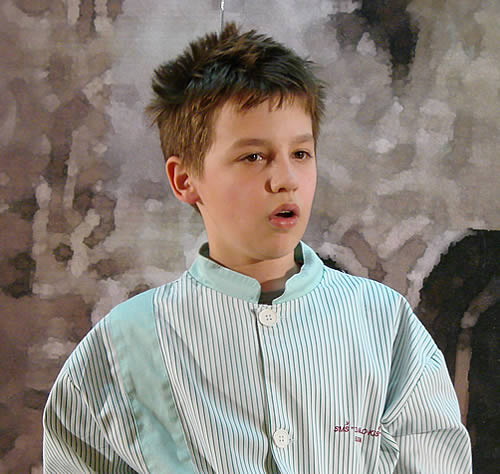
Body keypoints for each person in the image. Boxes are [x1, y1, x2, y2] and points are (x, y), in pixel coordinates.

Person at [43, 23, 472, 473]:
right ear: (184, 179)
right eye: (253, 156)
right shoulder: (120, 347)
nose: (286, 179)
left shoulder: (384, 324)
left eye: (300, 154)